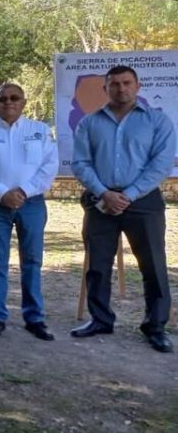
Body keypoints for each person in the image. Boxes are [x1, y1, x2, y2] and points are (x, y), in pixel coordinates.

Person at [70, 65, 176, 353]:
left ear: (137, 86)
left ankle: (155, 326)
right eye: (114, 84)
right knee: (97, 266)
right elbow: (80, 163)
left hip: (143, 202)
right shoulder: (89, 123)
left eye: (127, 83)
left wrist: (127, 195)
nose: (121, 88)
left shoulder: (158, 121)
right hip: (100, 201)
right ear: (105, 89)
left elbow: (161, 164)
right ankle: (100, 320)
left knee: (153, 265)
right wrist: (104, 193)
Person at [0, 83, 59, 341]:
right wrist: (3, 193)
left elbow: (48, 167)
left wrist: (24, 192)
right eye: (2, 98)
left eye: (14, 98)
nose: (8, 102)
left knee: (32, 260)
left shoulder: (40, 131)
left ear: (24, 102)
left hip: (31, 204)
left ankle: (34, 317)